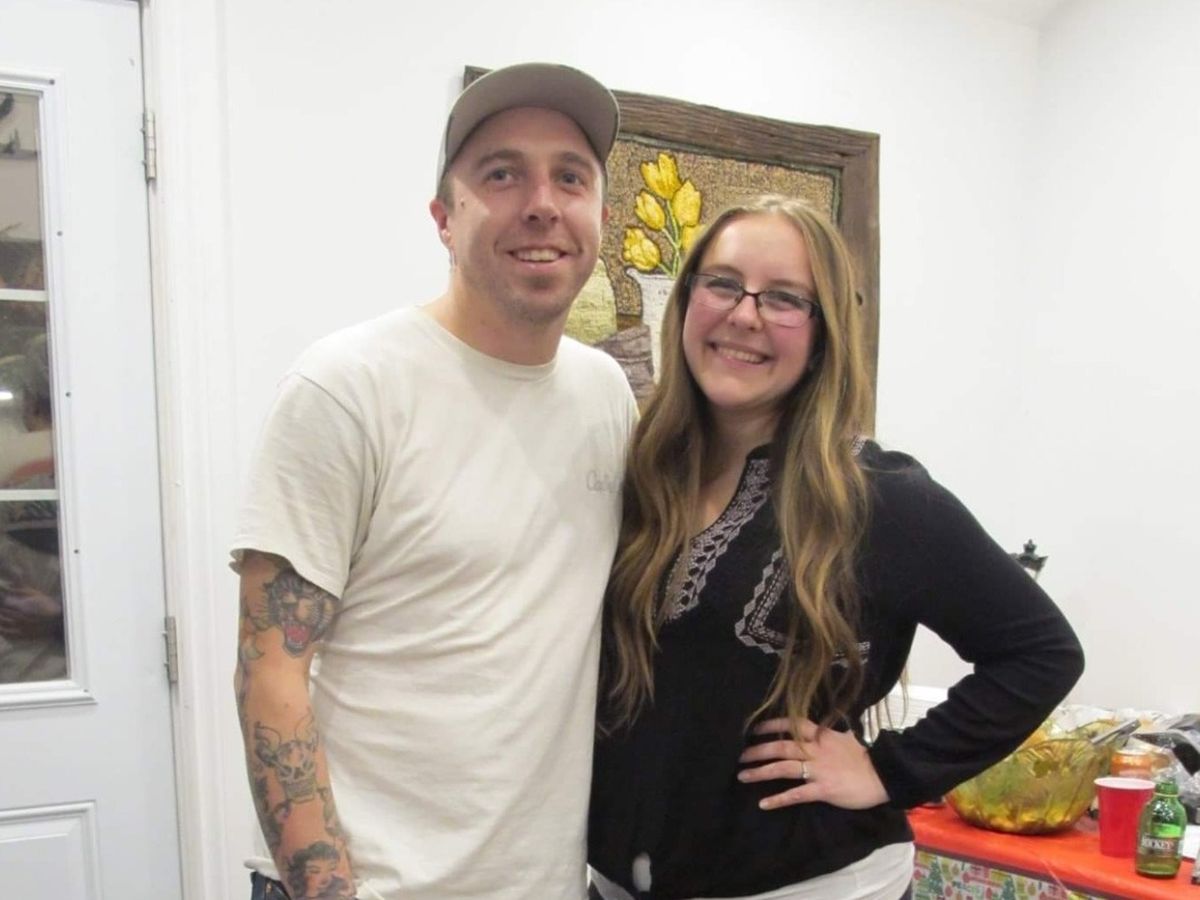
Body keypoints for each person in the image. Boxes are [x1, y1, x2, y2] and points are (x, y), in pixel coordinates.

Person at [587, 195, 1084, 900]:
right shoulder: (637, 476)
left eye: (784, 298)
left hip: (807, 883)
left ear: (824, 334)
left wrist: (890, 771)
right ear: (687, 300)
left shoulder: (877, 496)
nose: (745, 315)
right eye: (723, 283)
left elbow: (1042, 652)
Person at [232, 62, 637, 900]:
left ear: (601, 218)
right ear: (444, 219)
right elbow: (271, 673)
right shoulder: (347, 388)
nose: (542, 203)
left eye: (570, 177)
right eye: (502, 174)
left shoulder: (606, 395)